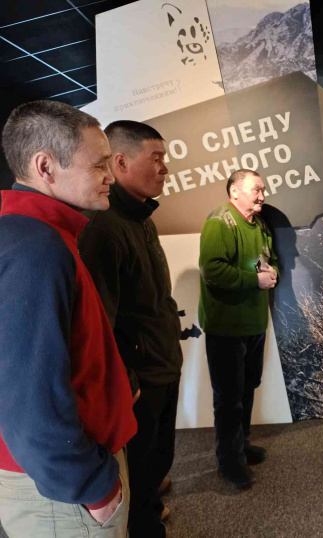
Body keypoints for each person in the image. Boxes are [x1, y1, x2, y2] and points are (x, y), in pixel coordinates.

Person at [0, 101, 137, 536]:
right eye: (98, 164)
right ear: (45, 166)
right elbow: (27, 397)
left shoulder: (36, 234)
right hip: (66, 494)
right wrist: (94, 487)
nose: (111, 176)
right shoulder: (34, 248)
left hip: (67, 477)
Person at [79, 121, 183, 538]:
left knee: (158, 458)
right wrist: (129, 378)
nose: (165, 168)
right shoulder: (104, 228)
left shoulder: (141, 217)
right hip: (141, 377)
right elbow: (100, 320)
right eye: (156, 158)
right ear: (121, 162)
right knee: (140, 466)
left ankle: (150, 510)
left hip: (161, 362)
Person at [198, 169, 278, 489]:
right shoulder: (220, 222)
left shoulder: (259, 224)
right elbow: (212, 270)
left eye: (263, 189)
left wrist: (272, 272)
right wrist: (254, 280)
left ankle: (241, 447)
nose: (262, 196)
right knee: (229, 398)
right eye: (256, 189)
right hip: (227, 328)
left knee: (247, 388)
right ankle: (229, 463)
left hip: (254, 323)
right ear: (234, 192)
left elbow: (269, 258)